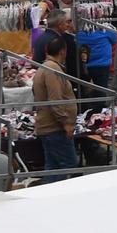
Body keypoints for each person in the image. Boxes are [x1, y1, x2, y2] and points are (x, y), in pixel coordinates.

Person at [32, 37, 80, 181]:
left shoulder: (46, 67)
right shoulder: (52, 69)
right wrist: (65, 122)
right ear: (63, 51)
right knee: (68, 163)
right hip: (55, 127)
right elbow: (55, 99)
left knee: (53, 165)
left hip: (49, 126)